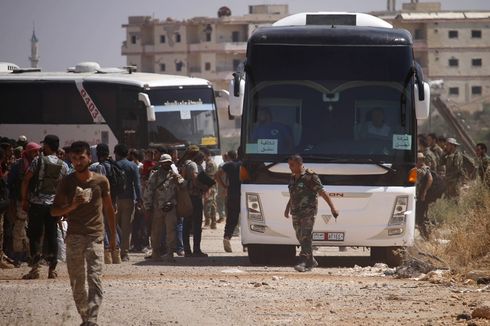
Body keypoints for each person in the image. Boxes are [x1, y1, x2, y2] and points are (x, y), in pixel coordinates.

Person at [51, 141, 116, 326]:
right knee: (77, 282)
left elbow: (109, 209)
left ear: (89, 157)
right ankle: (86, 318)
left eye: (81, 158)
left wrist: (112, 238)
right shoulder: (67, 182)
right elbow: (54, 211)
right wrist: (73, 205)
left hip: (95, 235)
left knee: (95, 278)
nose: (78, 162)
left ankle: (92, 320)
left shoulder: (101, 181)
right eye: (74, 159)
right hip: (74, 237)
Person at [21, 134, 69, 279]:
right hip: (53, 206)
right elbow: (64, 188)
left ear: (47, 146)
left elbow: (26, 179)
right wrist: (64, 207)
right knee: (52, 235)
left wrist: (24, 199)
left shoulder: (38, 160)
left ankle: (35, 269)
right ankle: (52, 270)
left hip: (36, 204)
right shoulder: (64, 165)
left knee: (35, 235)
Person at [284, 154, 339, 272]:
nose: (290, 167)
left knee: (306, 235)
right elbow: (293, 194)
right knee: (300, 236)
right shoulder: (293, 177)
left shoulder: (310, 177)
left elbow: (322, 192)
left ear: (299, 164)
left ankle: (303, 262)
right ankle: (311, 260)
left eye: (292, 165)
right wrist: (287, 208)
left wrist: (332, 208)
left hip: (308, 211)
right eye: (289, 165)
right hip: (296, 212)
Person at [143, 154, 184, 261]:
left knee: (171, 232)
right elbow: (149, 191)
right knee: (156, 232)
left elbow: (183, 185)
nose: (166, 164)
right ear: (161, 164)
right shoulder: (155, 175)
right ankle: (156, 253)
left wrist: (177, 175)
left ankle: (170, 253)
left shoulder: (174, 175)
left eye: (168, 162)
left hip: (171, 207)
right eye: (164, 162)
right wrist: (147, 207)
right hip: (158, 208)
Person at [7, 142, 41, 266]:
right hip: (20, 201)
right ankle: (18, 257)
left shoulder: (39, 164)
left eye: (38, 151)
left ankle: (31, 256)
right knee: (18, 228)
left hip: (35, 201)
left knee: (33, 230)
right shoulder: (18, 165)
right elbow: (10, 184)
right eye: (34, 151)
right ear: (28, 152)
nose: (37, 154)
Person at [89, 143, 121, 264]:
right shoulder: (114, 165)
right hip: (113, 199)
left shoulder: (100, 167)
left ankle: (107, 253)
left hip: (103, 199)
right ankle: (116, 253)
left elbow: (101, 186)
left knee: (103, 225)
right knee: (112, 226)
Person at [114, 143, 142, 261]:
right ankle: (124, 253)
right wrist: (139, 199)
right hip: (128, 199)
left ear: (116, 153)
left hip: (114, 200)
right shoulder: (132, 166)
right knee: (126, 228)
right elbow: (137, 184)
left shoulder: (113, 165)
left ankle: (112, 250)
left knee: (112, 226)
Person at [180, 145, 208, 257]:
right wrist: (204, 187)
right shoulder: (192, 164)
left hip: (187, 197)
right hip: (194, 197)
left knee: (186, 224)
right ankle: (196, 250)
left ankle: (187, 250)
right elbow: (195, 179)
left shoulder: (185, 163)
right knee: (196, 224)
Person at [215, 150, 241, 253]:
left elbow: (217, 175)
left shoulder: (228, 165)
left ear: (229, 157)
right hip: (243, 194)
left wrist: (224, 186)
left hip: (231, 194)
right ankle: (247, 243)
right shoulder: (242, 164)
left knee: (231, 218)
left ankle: (227, 237)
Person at [415, 152, 433, 240]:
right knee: (418, 217)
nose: (420, 161)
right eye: (419, 159)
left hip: (421, 197)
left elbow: (430, 179)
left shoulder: (424, 169)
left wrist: (424, 192)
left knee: (423, 217)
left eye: (421, 159)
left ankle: (427, 237)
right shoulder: (418, 168)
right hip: (417, 197)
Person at [202, 147, 218, 229]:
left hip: (210, 186)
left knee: (208, 204)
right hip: (211, 186)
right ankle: (213, 223)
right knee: (212, 204)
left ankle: (208, 222)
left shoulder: (210, 163)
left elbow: (210, 176)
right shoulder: (209, 163)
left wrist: (207, 188)